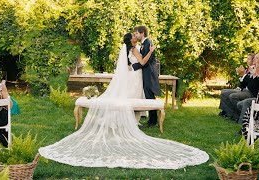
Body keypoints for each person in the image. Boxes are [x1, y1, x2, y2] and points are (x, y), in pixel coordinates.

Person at [39, 32, 209, 169]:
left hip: (131, 75)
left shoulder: (127, 49)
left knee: (130, 98)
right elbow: (142, 61)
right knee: (133, 99)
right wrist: (151, 51)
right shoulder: (134, 49)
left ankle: (129, 120)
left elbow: (130, 64)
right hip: (135, 77)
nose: (136, 37)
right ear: (132, 40)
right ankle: (131, 121)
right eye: (134, 36)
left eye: (137, 35)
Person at [131, 26, 161, 127]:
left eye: (137, 33)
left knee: (150, 96)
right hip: (146, 72)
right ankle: (152, 120)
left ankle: (153, 121)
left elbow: (145, 61)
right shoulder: (144, 43)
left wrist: (133, 66)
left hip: (149, 73)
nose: (136, 35)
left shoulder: (148, 43)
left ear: (142, 33)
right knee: (148, 96)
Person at [219, 53, 255, 119]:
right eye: (247, 59)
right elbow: (244, 82)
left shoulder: (254, 70)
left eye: (249, 59)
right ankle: (226, 111)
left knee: (232, 96)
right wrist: (239, 88)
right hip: (243, 90)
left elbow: (250, 82)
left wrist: (242, 75)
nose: (247, 60)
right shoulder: (247, 69)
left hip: (249, 92)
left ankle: (234, 114)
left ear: (253, 60)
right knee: (223, 91)